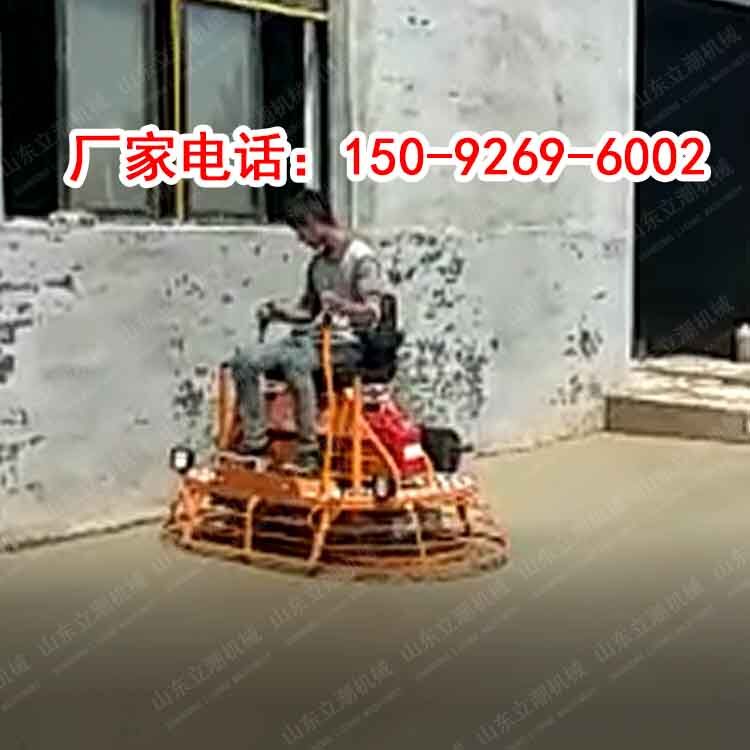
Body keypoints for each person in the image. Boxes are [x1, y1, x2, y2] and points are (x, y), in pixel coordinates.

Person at [229, 189, 384, 473]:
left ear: (314, 222)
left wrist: (343, 306)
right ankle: (255, 439)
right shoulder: (317, 265)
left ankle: (308, 451)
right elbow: (308, 312)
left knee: (295, 362)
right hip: (310, 341)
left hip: (347, 345)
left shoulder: (361, 259)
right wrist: (279, 312)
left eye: (301, 232)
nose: (301, 240)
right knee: (245, 361)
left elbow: (373, 312)